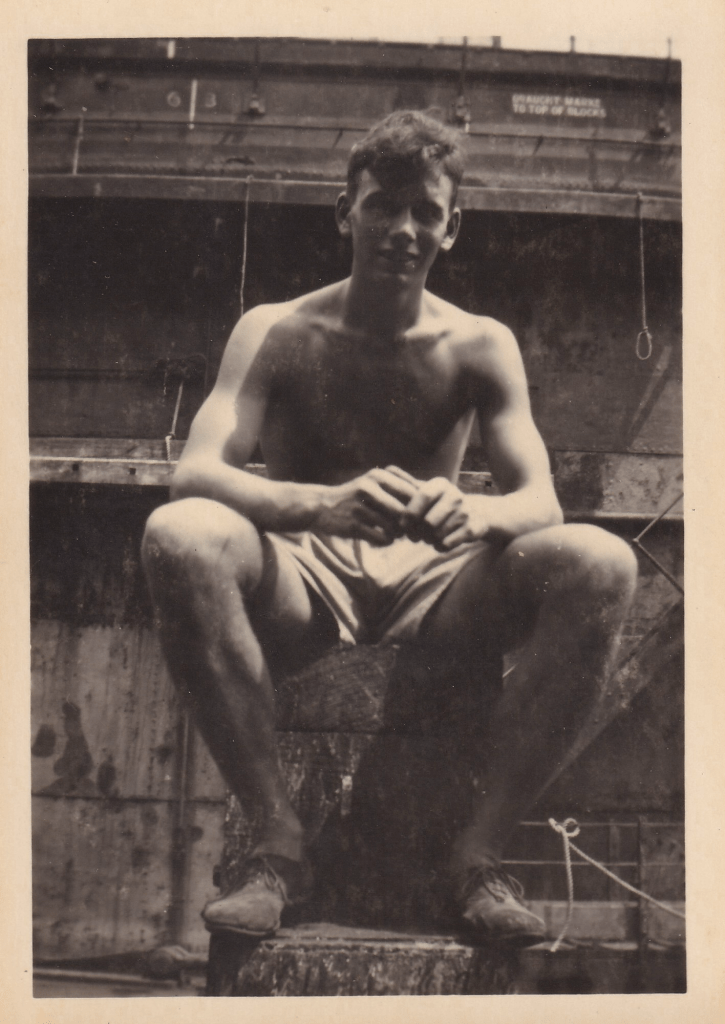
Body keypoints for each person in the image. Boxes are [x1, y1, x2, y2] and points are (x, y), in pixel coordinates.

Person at [142, 110, 637, 946]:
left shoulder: (479, 343)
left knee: (600, 562)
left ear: (452, 226)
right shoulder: (276, 329)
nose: (403, 230)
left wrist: (474, 509)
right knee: (181, 533)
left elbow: (538, 501)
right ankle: (277, 849)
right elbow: (196, 472)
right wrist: (313, 505)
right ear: (346, 212)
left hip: (436, 584)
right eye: (382, 207)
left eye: (426, 213)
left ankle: (476, 858)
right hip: (302, 571)